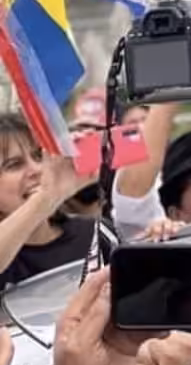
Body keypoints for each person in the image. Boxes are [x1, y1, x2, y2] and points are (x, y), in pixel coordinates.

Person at [0, 113, 114, 288]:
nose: (36, 169)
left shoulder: (96, 233)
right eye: (14, 164)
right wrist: (45, 199)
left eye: (39, 156)